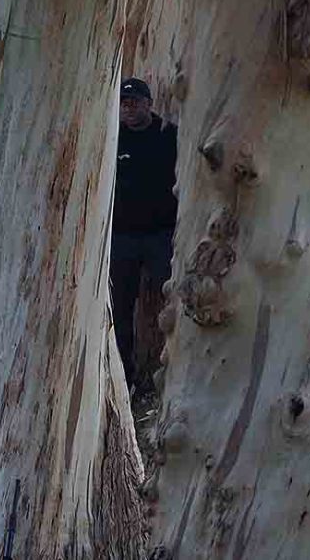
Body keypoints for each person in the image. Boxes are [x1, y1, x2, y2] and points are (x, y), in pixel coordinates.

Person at [110, 78, 177, 388]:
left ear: (149, 103)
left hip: (162, 237)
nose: (129, 108)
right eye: (124, 103)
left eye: (135, 101)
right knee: (119, 310)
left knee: (175, 301)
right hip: (122, 239)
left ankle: (177, 370)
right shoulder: (112, 137)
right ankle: (124, 378)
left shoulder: (169, 136)